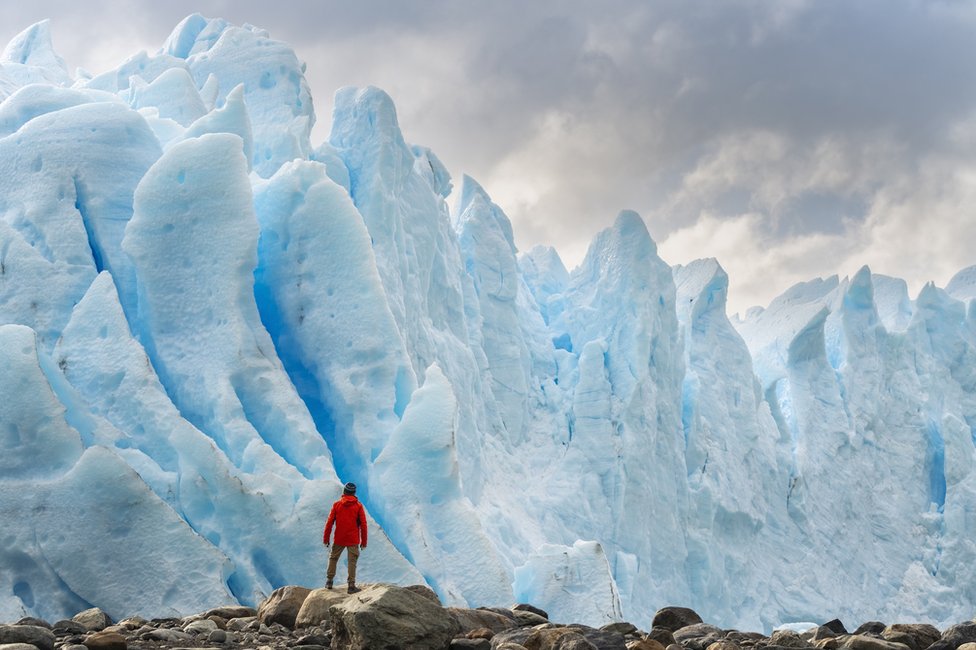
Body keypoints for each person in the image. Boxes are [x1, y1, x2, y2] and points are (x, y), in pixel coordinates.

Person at [323, 482, 367, 592]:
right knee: (352, 562)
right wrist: (364, 542)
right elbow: (363, 524)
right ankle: (351, 586)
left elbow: (329, 523)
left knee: (333, 558)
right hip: (353, 539)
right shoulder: (358, 506)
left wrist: (326, 539)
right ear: (354, 493)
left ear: (344, 492)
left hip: (339, 538)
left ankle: (329, 582)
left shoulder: (337, 505)